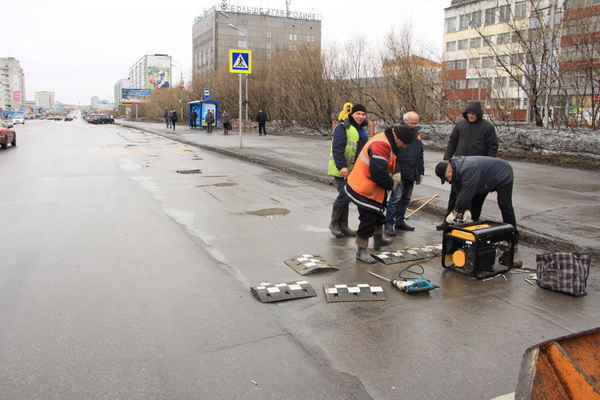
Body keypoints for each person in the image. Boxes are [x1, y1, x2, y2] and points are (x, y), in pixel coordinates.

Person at [345, 125, 416, 264]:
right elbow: (378, 172)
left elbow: (390, 163)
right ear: (397, 138)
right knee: (368, 219)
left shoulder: (389, 141)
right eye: (404, 143)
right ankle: (361, 250)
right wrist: (391, 185)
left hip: (373, 187)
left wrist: (395, 173)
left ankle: (378, 241)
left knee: (378, 214)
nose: (405, 146)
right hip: (363, 187)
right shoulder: (381, 144)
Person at [436, 101, 498, 230]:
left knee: (475, 197)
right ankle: (448, 221)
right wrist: (447, 159)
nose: (471, 116)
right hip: (458, 166)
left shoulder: (487, 127)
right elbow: (452, 141)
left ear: (478, 114)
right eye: (469, 113)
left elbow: (492, 147)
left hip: (477, 169)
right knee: (454, 195)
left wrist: (488, 165)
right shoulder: (460, 125)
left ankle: (472, 224)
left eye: (473, 114)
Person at [435, 156, 518, 240]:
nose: (447, 181)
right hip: (483, 179)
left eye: (446, 178)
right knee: (475, 205)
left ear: (450, 171)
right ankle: (473, 235)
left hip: (502, 173)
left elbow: (467, 193)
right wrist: (468, 209)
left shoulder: (468, 169)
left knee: (504, 204)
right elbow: (460, 193)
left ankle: (513, 236)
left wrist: (455, 212)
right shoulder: (456, 172)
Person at [327, 103, 370, 237]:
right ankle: (334, 223)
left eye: (363, 114)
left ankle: (343, 226)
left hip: (356, 170)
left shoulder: (361, 130)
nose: (361, 116)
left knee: (347, 196)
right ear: (352, 114)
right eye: (358, 114)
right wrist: (342, 167)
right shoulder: (343, 127)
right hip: (343, 169)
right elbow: (337, 148)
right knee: (345, 195)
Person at [384, 111, 424, 236]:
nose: (415, 125)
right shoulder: (398, 133)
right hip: (400, 172)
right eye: (412, 123)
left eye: (416, 123)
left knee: (406, 199)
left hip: (412, 172)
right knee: (395, 199)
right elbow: (394, 154)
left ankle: (400, 221)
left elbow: (419, 154)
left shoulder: (417, 134)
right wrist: (396, 171)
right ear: (405, 121)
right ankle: (389, 224)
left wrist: (420, 171)